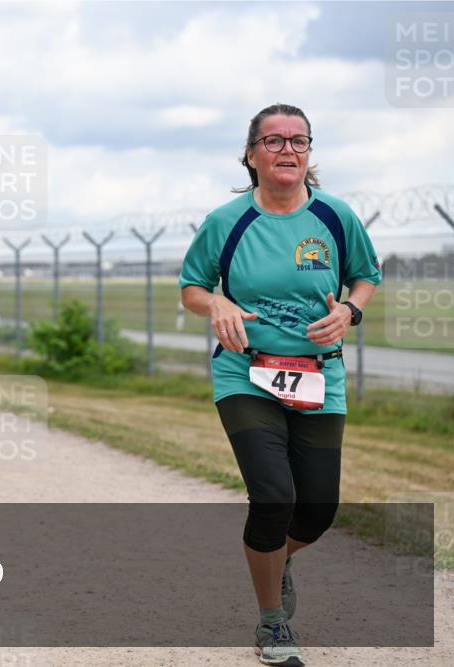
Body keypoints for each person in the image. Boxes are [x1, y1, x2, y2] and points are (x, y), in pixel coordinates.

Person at [179, 104, 380, 667]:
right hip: (246, 372)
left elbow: (367, 275)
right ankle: (272, 622)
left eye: (299, 140)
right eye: (273, 140)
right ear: (251, 155)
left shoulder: (337, 217)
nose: (287, 149)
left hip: (320, 375)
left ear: (309, 153)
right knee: (274, 496)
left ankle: (278, 558)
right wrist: (216, 300)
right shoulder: (228, 220)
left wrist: (350, 310)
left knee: (316, 509)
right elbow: (192, 287)